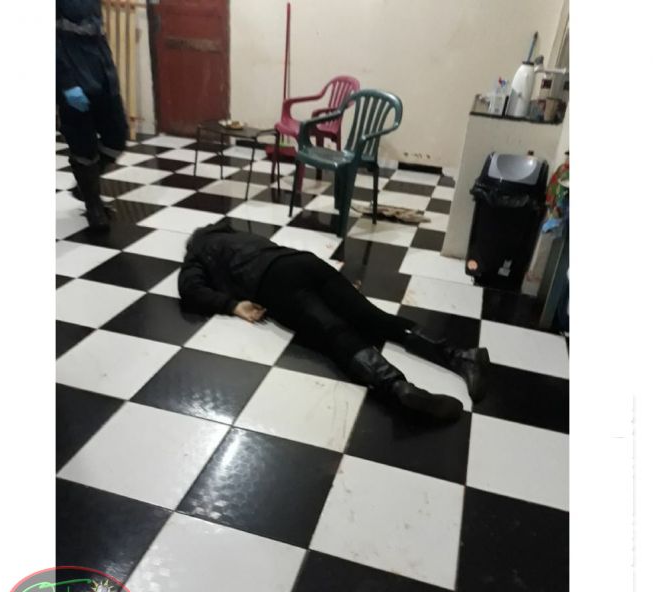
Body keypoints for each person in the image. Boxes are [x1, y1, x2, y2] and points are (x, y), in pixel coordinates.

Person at [179, 220, 490, 422]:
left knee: (334, 332)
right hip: (303, 261)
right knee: (373, 317)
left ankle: (397, 388)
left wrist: (233, 305)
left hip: (275, 284)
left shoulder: (197, 253)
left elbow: (190, 290)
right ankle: (462, 355)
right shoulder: (234, 234)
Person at [57, 0, 129, 230]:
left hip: (102, 72)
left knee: (117, 137)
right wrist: (66, 83)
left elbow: (95, 31)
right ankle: (93, 205)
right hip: (72, 76)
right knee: (83, 145)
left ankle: (85, 186)